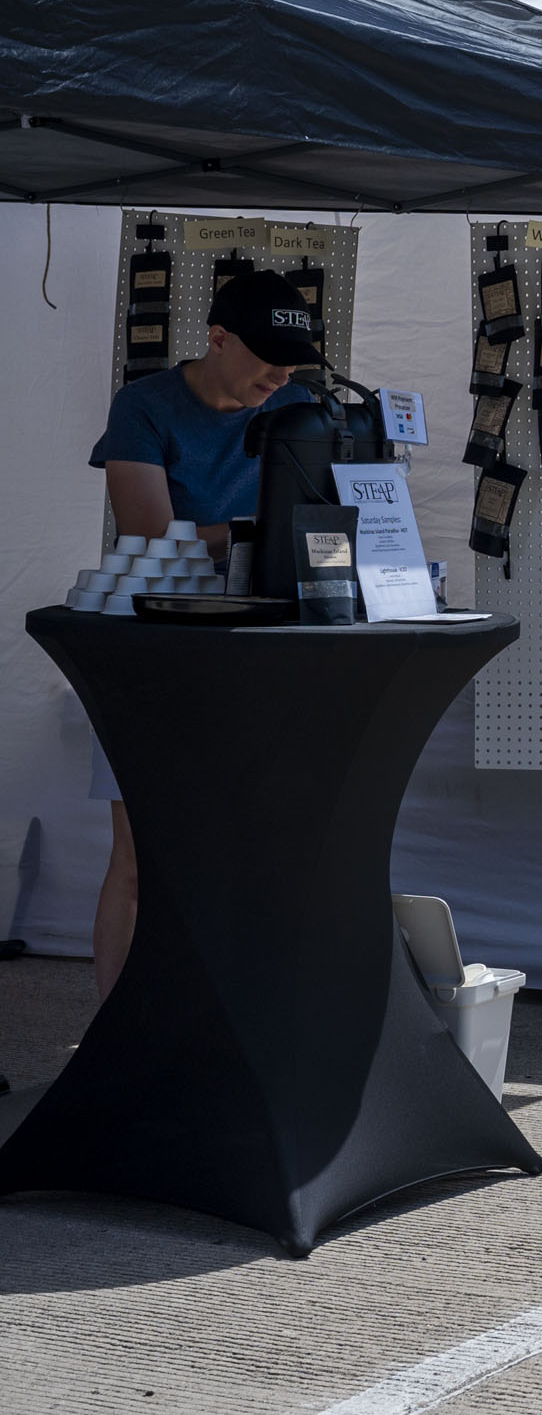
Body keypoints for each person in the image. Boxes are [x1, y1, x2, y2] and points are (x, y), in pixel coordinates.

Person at [87, 270, 319, 1000]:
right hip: (149, 648)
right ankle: (110, 1032)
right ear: (216, 338)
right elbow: (151, 536)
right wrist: (264, 532)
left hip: (262, 650)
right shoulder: (146, 406)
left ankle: (238, 1016)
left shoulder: (300, 405)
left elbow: (320, 525)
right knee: (139, 853)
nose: (280, 375)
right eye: (266, 358)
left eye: (291, 360)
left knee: (255, 846)